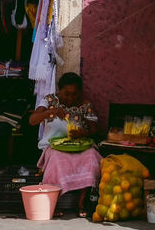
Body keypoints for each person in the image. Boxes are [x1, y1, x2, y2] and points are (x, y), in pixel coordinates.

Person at [29, 71, 101, 217]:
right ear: (59, 90)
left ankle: (82, 202)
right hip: (53, 147)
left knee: (92, 156)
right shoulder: (49, 100)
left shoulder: (85, 104)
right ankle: (54, 202)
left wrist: (82, 132)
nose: (70, 98)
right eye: (66, 94)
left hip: (79, 145)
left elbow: (94, 130)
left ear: (79, 93)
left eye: (74, 94)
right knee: (57, 159)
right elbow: (32, 120)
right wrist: (51, 112)